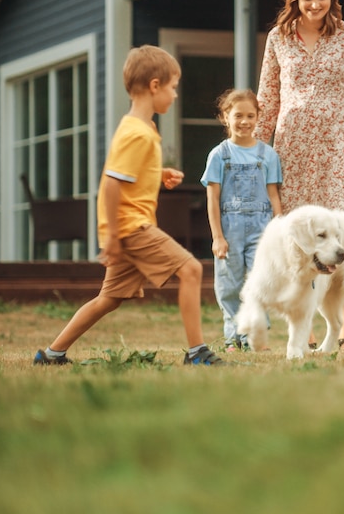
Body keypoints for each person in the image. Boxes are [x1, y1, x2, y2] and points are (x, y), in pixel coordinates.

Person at [34, 45, 223, 367]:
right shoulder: (137, 132)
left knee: (110, 298)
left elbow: (128, 172)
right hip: (131, 226)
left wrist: (158, 174)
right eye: (173, 87)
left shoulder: (143, 128)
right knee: (191, 269)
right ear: (154, 85)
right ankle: (197, 353)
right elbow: (110, 183)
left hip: (127, 226)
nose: (175, 95)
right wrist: (110, 237)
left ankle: (52, 354)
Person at [254, 0, 344, 353]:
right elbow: (267, 98)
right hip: (292, 149)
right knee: (303, 242)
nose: (314, 5)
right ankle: (302, 332)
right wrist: (258, 152)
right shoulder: (277, 38)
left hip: (340, 145)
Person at [201, 89, 283, 351]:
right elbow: (213, 199)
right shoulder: (219, 155)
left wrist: (278, 232)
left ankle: (255, 336)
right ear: (226, 117)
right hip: (230, 227)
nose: (244, 121)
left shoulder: (268, 155)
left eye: (250, 116)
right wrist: (217, 237)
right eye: (238, 116)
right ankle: (232, 338)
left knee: (260, 281)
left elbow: (273, 195)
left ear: (258, 118)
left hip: (262, 227)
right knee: (230, 284)